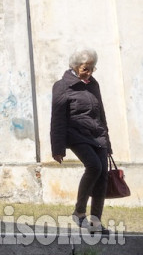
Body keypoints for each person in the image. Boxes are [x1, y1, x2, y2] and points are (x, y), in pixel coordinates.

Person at [51, 48, 112, 234]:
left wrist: (108, 142)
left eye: (93, 68)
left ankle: (95, 223)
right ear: (75, 66)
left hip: (97, 135)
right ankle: (79, 212)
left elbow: (101, 113)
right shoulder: (62, 86)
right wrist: (58, 148)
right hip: (76, 134)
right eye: (86, 68)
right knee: (94, 166)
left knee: (102, 176)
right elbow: (58, 118)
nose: (90, 73)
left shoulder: (94, 84)